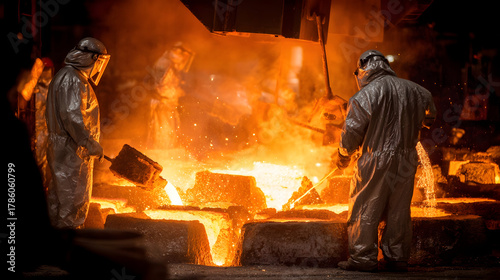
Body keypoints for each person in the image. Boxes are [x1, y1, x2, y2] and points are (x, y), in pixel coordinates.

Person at [335, 50, 436, 272]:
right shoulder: (416, 90)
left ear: (363, 69)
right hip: (406, 158)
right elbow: (430, 115)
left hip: (375, 158)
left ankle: (362, 259)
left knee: (365, 207)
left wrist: (343, 155)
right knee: (399, 209)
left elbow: (351, 134)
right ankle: (397, 258)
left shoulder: (363, 97)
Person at [46, 37, 110, 228]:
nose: (99, 67)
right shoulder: (73, 79)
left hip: (63, 147)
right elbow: (72, 116)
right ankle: (68, 251)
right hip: (72, 150)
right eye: (99, 61)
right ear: (91, 58)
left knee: (58, 200)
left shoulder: (66, 75)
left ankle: (54, 249)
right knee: (72, 203)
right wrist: (88, 143)